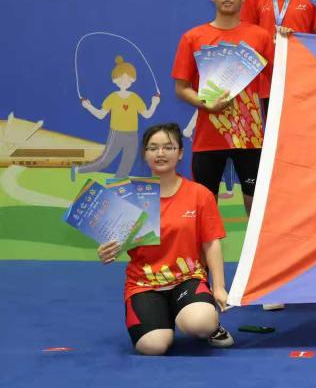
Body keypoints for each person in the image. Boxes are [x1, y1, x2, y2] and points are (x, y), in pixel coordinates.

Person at [97, 122, 233, 355]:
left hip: (187, 279)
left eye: (168, 147)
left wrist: (219, 287)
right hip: (144, 284)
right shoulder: (128, 196)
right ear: (145, 154)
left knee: (201, 323)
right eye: (153, 148)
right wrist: (106, 251)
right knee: (153, 346)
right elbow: (116, 242)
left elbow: (211, 243)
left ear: (180, 153)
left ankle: (208, 322)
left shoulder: (200, 194)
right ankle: (165, 317)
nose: (160, 153)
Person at [172, 0, 273, 217]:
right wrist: (205, 103)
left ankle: (255, 247)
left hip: (250, 137)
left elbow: (281, 78)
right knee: (205, 207)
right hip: (208, 138)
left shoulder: (260, 37)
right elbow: (181, 88)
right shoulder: (193, 37)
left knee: (256, 205)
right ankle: (207, 247)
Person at [75, 56, 159, 180]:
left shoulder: (135, 98)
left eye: (128, 79)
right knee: (105, 161)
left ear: (132, 80)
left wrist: (154, 104)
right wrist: (88, 106)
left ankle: (118, 185)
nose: (125, 81)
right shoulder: (112, 97)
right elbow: (101, 115)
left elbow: (146, 114)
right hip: (117, 133)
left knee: (128, 162)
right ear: (115, 80)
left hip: (132, 134)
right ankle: (78, 170)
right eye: (121, 79)